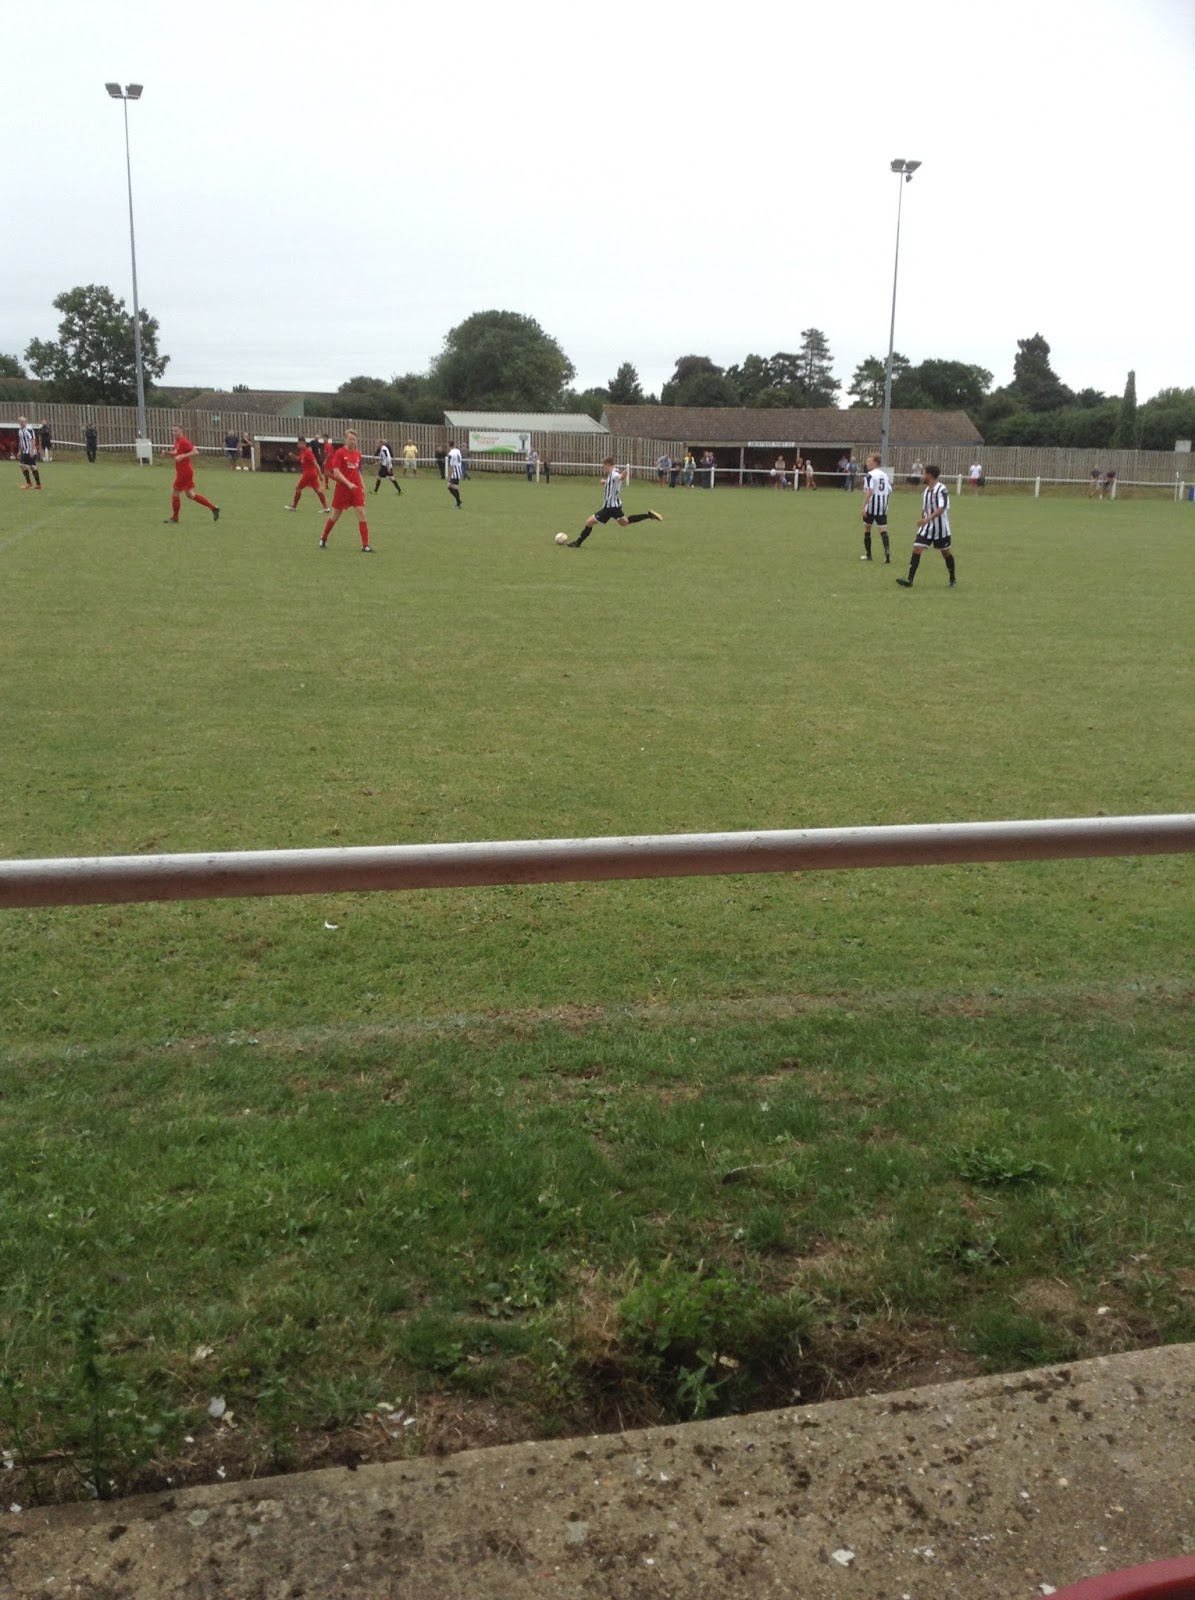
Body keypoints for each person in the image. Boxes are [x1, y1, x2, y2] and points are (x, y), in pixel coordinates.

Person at [566, 458, 663, 546]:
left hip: (610, 508)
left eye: (604, 466)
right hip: (615, 506)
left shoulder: (614, 473)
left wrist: (623, 476)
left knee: (589, 522)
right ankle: (648, 515)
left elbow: (619, 477)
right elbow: (613, 482)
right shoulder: (612, 474)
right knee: (624, 522)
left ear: (608, 464)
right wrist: (605, 482)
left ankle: (577, 543)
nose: (603, 468)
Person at [896, 464, 954, 589]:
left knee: (945, 552)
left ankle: (952, 579)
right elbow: (925, 508)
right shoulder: (925, 491)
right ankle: (909, 580)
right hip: (927, 527)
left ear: (929, 475)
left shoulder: (941, 489)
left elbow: (942, 507)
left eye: (924, 473)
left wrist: (928, 519)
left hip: (941, 528)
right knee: (917, 548)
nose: (922, 476)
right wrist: (923, 517)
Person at [320, 428, 373, 551]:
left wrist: (362, 486)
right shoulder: (339, 453)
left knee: (362, 513)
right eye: (350, 439)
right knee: (335, 515)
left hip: (355, 489)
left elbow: (357, 471)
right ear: (345, 439)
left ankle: (365, 545)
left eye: (354, 439)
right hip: (343, 489)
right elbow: (336, 472)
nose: (352, 441)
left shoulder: (358, 454)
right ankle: (323, 537)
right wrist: (348, 483)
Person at [164, 427, 219, 524]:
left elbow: (195, 451)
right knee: (190, 495)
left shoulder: (183, 441)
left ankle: (175, 518)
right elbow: (177, 453)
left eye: (175, 431)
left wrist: (182, 456)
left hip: (184, 472)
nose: (173, 432)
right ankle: (213, 508)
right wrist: (169, 454)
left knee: (175, 492)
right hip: (184, 471)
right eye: (172, 431)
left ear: (181, 431)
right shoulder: (177, 441)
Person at [860, 453, 892, 563]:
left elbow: (869, 491)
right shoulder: (884, 475)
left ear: (875, 462)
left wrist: (863, 506)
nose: (867, 463)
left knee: (867, 529)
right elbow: (889, 490)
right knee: (883, 530)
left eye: (869, 461)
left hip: (871, 507)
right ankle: (887, 552)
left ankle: (868, 555)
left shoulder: (870, 475)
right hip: (882, 507)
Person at [284, 436, 329, 512]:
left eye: (301, 443)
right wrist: (293, 456)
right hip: (312, 474)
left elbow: (315, 463)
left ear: (304, 444)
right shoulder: (303, 452)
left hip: (309, 474)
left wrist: (320, 475)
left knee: (298, 488)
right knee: (318, 490)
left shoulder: (308, 452)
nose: (299, 445)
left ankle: (294, 506)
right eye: (298, 443)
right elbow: (299, 458)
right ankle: (326, 508)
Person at [16, 416, 42, 489]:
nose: (22, 423)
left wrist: (32, 451)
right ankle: (38, 484)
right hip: (25, 451)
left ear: (26, 422)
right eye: (21, 422)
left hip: (29, 451)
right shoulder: (20, 431)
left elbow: (33, 440)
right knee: (33, 467)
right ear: (19, 423)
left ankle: (29, 483)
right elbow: (20, 442)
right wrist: (19, 451)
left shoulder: (29, 429)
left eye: (23, 422)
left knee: (22, 465)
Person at [446, 440, 464, 508]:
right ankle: (458, 501)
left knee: (453, 487)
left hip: (454, 472)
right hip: (459, 470)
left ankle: (458, 503)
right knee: (450, 487)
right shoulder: (457, 451)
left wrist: (449, 476)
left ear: (448, 445)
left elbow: (451, 466)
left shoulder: (451, 454)